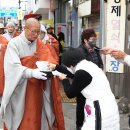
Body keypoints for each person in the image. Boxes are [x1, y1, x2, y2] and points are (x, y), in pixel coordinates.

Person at [0, 18, 65, 130]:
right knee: (22, 120)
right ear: (25, 29)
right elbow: (12, 68)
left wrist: (52, 68)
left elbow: (49, 58)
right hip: (20, 90)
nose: (36, 35)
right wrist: (32, 72)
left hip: (37, 89)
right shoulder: (14, 44)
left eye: (38, 32)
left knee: (37, 117)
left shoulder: (39, 43)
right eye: (33, 31)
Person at [48, 47, 120, 130]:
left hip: (100, 109)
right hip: (106, 105)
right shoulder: (87, 64)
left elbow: (70, 93)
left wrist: (64, 80)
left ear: (71, 65)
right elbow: (73, 74)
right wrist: (56, 67)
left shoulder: (81, 72)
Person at [76, 28, 103, 130]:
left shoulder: (96, 49)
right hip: (83, 83)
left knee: (93, 104)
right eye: (92, 40)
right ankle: (79, 125)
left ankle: (92, 124)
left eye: (95, 39)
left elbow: (99, 63)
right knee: (81, 104)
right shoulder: (79, 51)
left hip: (95, 83)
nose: (94, 42)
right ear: (85, 40)